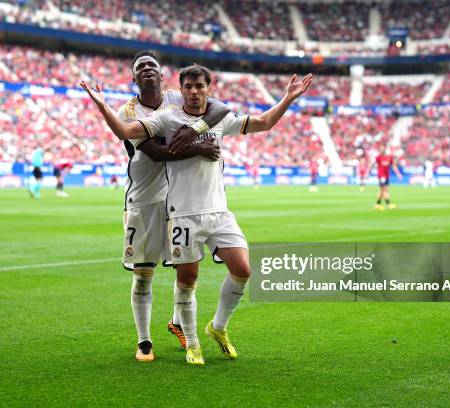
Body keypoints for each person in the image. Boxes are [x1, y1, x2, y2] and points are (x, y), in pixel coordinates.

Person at [82, 64, 313, 365]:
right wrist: (102, 106)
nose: (194, 92)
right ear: (180, 90)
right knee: (187, 281)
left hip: (219, 211)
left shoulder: (219, 118)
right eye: (188, 87)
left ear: (209, 88)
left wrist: (288, 98)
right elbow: (126, 131)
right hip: (184, 214)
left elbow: (263, 122)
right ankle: (192, 343)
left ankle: (217, 328)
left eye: (199, 86)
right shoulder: (167, 118)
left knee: (243, 269)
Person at [83, 51, 229, 363]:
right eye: (141, 67)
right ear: (133, 78)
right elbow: (156, 153)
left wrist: (195, 130)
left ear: (163, 76)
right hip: (145, 197)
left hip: (178, 198)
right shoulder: (129, 110)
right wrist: (198, 147)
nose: (147, 69)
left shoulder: (178, 96)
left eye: (153, 65)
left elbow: (218, 108)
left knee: (186, 269)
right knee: (143, 273)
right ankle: (144, 341)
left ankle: (178, 322)